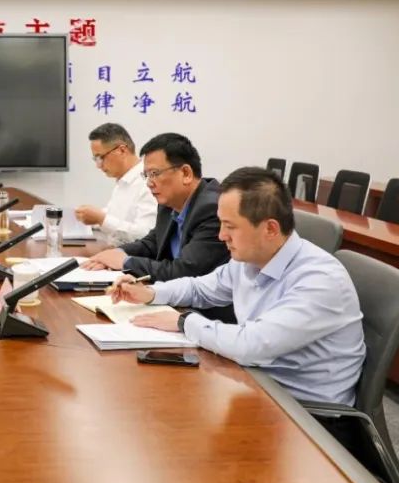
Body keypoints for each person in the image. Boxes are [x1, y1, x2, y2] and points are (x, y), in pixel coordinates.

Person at [112, 167, 366, 408]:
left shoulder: (319, 280)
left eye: (230, 226)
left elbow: (251, 346)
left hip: (306, 415)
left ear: (270, 229)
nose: (221, 235)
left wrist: (183, 321)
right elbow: (200, 288)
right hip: (256, 385)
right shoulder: (250, 260)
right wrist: (152, 293)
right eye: (221, 224)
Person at [81, 132, 229, 282]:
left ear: (186, 173)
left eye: (154, 173)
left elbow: (185, 271)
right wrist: (117, 253)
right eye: (146, 175)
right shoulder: (168, 204)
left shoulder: (214, 209)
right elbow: (152, 243)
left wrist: (125, 262)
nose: (149, 183)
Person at [74, 123, 157, 247]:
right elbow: (116, 215)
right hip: (115, 251)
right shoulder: (123, 180)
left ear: (121, 150)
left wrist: (101, 219)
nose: (98, 165)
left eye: (101, 157)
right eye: (96, 159)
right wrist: (90, 217)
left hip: (135, 256)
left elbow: (145, 235)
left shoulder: (148, 182)